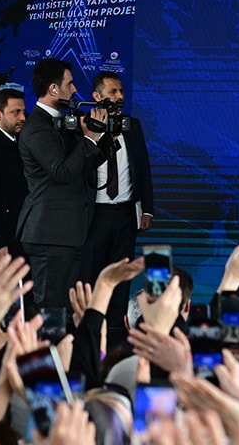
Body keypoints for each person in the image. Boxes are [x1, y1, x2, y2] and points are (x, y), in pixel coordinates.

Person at [16, 58, 110, 308]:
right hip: (50, 234)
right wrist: (88, 139)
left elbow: (83, 164)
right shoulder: (37, 128)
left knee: (66, 309)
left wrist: (104, 137)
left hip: (67, 234)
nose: (75, 89)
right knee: (51, 309)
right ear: (53, 89)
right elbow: (61, 171)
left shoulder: (63, 121)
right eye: (70, 84)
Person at [79, 72, 154, 338]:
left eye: (121, 91)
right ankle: (89, 332)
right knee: (91, 274)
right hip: (94, 215)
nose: (120, 96)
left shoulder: (132, 125)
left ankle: (116, 333)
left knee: (122, 275)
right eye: (113, 92)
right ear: (96, 96)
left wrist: (147, 208)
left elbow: (143, 168)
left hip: (125, 214)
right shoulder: (84, 126)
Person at [0, 87, 27, 260]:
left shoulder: (20, 142)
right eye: (15, 112)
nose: (22, 117)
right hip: (1, 241)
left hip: (20, 234)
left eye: (23, 112)